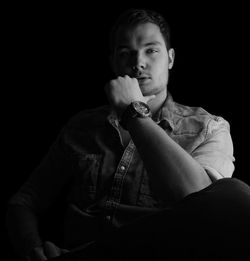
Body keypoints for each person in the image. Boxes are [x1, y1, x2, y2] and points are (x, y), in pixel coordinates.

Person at [6, 8, 250, 261]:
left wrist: (132, 111)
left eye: (151, 50)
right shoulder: (82, 127)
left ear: (170, 58)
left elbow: (205, 204)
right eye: (125, 53)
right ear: (112, 61)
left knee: (234, 194)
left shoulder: (208, 127)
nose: (138, 62)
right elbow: (24, 201)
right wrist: (32, 249)